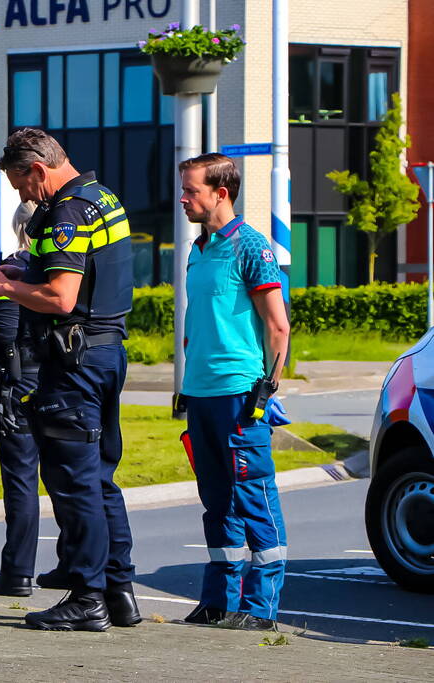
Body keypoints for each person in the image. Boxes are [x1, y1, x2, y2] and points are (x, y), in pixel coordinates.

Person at [0, 128, 139, 631]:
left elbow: (63, 299)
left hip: (75, 365)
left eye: (21, 185)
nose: (23, 195)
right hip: (108, 354)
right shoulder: (101, 197)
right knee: (101, 477)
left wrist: (5, 288)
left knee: (74, 482)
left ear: (38, 170)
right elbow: (85, 283)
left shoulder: (65, 211)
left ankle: (86, 597)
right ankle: (118, 591)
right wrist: (22, 276)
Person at [177, 153, 290, 631]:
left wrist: (265, 392)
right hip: (200, 396)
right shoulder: (196, 250)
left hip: (240, 395)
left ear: (221, 193)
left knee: (254, 496)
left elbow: (277, 326)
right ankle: (218, 601)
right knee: (217, 502)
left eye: (192, 191)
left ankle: (261, 608)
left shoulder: (252, 247)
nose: (184, 199)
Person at [0, 201, 42, 598]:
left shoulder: (12, 268)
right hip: (58, 379)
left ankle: (19, 571)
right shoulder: (59, 266)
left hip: (20, 385)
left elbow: (4, 335)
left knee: (21, 480)